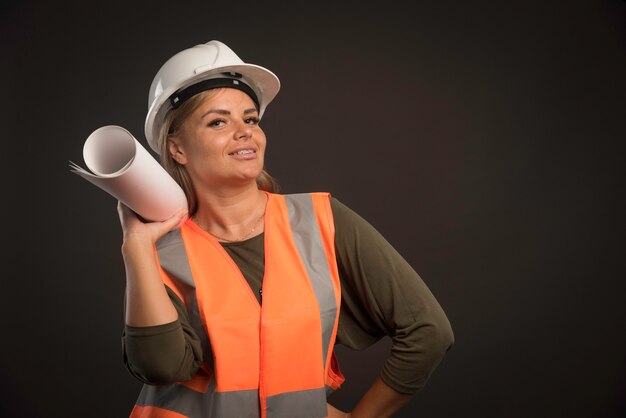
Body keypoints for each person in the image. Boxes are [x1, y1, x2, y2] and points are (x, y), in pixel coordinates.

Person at [118, 40, 454, 418]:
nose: (244, 132)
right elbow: (159, 368)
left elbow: (429, 332)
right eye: (218, 121)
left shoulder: (322, 221)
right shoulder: (161, 249)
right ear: (176, 148)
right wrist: (136, 249)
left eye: (250, 119)